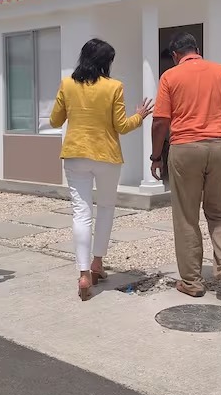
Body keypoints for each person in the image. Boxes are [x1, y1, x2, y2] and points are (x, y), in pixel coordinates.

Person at [150, 32, 221, 297]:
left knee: (186, 216)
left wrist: (156, 156)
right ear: (197, 49)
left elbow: (160, 121)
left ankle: (192, 282)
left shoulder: (170, 77)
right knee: (220, 212)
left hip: (185, 148)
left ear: (176, 55)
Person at [49, 38, 154, 301]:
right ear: (105, 62)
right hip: (107, 156)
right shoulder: (114, 87)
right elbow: (121, 126)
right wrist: (140, 116)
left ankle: (84, 273)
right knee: (106, 208)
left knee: (81, 213)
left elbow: (54, 121)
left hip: (75, 154)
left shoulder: (67, 84)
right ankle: (97, 263)